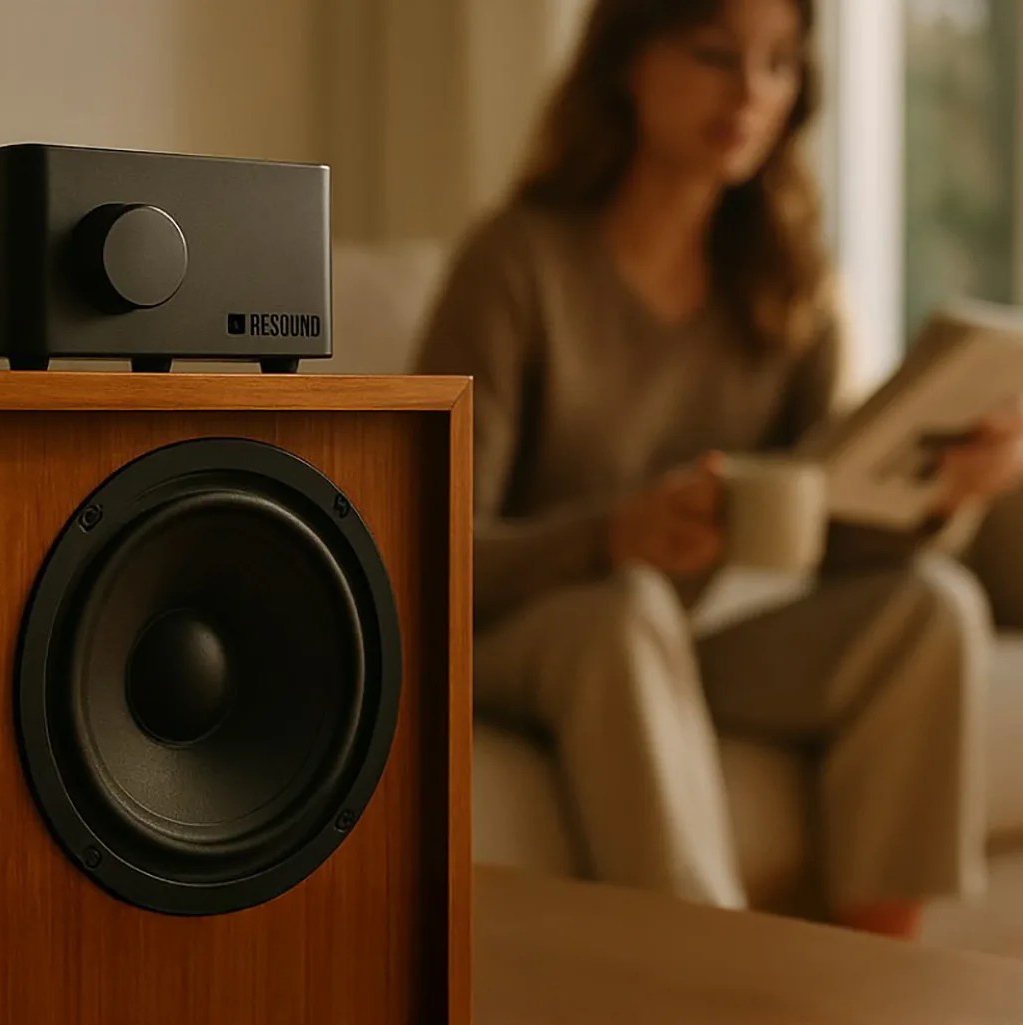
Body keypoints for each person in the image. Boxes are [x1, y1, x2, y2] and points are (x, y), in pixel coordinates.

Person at [413, 0, 1023, 938]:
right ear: (627, 62)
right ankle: (708, 966)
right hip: (530, 630)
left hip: (697, 636)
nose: (751, 93)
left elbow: (820, 530)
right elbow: (424, 544)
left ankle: (875, 976)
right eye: (715, 55)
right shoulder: (516, 264)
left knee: (930, 606)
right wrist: (610, 536)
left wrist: (942, 495)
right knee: (628, 607)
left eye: (779, 65)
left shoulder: (783, 282)